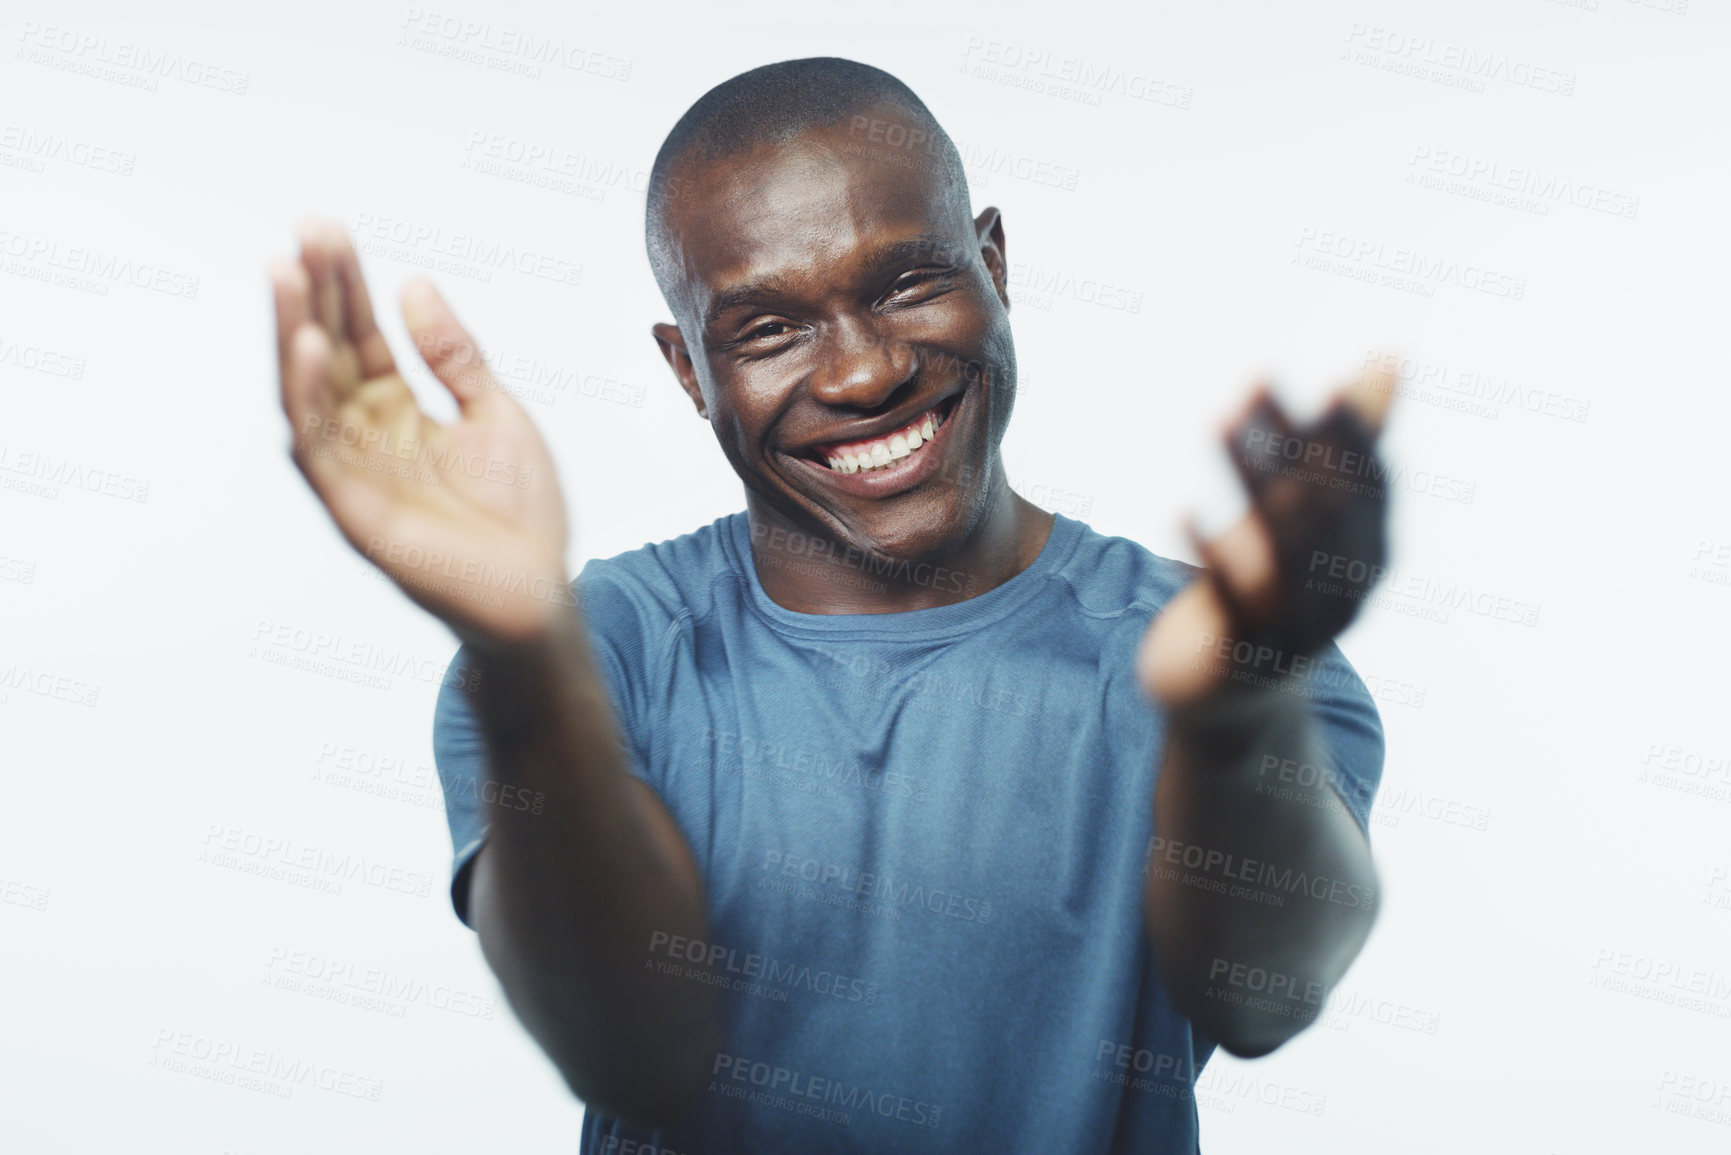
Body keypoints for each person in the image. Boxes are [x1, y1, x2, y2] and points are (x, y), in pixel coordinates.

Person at [271, 55, 1396, 1155]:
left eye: (907, 283)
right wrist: (519, 654)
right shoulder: (587, 659)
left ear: (995, 264)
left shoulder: (1223, 647)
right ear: (685, 371)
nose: (862, 374)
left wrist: (1235, 718)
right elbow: (631, 1056)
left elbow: (1266, 997)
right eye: (767, 329)